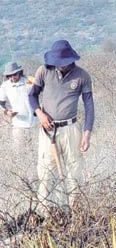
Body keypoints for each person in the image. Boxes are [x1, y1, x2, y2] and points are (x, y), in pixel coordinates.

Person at [28, 40, 94, 214]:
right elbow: (32, 96)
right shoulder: (43, 71)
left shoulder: (82, 76)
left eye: (65, 62)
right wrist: (39, 114)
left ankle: (75, 210)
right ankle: (44, 211)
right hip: (48, 129)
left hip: (71, 129)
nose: (61, 65)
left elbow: (89, 106)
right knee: (46, 172)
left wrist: (87, 133)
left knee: (74, 170)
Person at [0, 61, 38, 152]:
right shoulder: (5, 86)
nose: (12, 77)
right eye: (9, 75)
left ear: (19, 72)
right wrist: (7, 112)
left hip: (35, 124)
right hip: (18, 125)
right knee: (19, 151)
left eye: (14, 74)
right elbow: (1, 103)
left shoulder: (28, 81)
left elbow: (41, 89)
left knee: (35, 151)